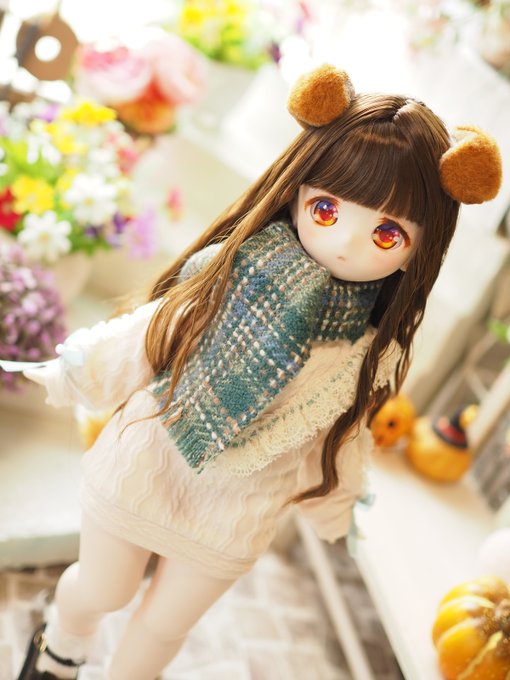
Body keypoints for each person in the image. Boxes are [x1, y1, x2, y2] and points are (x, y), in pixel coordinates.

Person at [15, 64, 501, 680]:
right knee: (101, 589)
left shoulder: (367, 351)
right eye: (326, 208)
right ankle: (60, 649)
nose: (347, 242)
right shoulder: (230, 270)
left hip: (239, 509)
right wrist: (79, 367)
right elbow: (151, 333)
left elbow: (344, 437)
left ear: (419, 247)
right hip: (150, 458)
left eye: (386, 233)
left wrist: (339, 502)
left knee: (165, 624)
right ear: (296, 192)